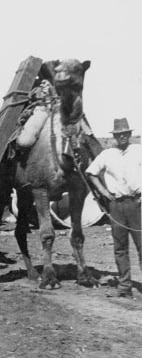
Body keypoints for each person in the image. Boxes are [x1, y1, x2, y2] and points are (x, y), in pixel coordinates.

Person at [86, 117, 142, 298]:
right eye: (119, 134)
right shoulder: (107, 154)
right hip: (116, 205)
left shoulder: (138, 151)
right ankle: (124, 285)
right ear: (115, 136)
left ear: (130, 134)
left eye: (125, 133)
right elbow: (91, 173)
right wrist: (103, 192)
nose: (123, 137)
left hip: (137, 204)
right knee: (120, 247)